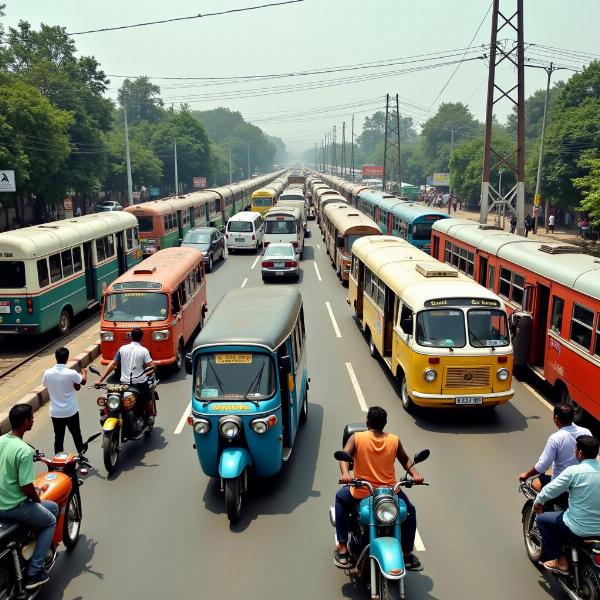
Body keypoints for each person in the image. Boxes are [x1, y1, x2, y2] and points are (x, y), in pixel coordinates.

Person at [334, 406, 424, 571]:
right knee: (410, 512)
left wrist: (346, 474)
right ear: (385, 424)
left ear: (367, 421)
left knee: (340, 499)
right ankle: (407, 553)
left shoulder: (357, 437)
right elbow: (406, 460)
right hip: (390, 492)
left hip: (362, 491)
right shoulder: (394, 439)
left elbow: (344, 456)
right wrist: (415, 474)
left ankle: (342, 547)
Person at [0, 404, 59, 590]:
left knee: (53, 507)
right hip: (13, 506)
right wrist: (37, 498)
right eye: (32, 418)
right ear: (26, 422)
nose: (33, 420)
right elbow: (26, 486)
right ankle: (34, 572)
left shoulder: (1, 440)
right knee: (50, 519)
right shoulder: (24, 451)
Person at [535, 435, 600, 574]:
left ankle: (561, 562)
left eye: (576, 449)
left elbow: (550, 490)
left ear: (580, 453)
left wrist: (538, 502)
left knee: (542, 520)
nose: (575, 451)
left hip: (578, 528)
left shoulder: (573, 472)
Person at [518, 404, 591, 505]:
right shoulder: (586, 432)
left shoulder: (555, 439)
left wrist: (526, 475)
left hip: (560, 487)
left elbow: (542, 466)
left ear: (556, 418)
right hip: (582, 484)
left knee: (537, 482)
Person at [96, 328, 155, 422]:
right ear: (142, 337)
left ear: (131, 336)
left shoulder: (122, 349)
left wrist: (101, 379)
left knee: (146, 398)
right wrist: (145, 374)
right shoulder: (144, 351)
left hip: (124, 385)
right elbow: (152, 367)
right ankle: (150, 416)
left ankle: (150, 417)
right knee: (146, 400)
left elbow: (113, 364)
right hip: (139, 383)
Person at [42, 347, 87, 455]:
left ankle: (58, 459)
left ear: (56, 357)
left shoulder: (47, 373)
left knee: (58, 437)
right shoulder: (71, 373)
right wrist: (84, 372)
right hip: (71, 411)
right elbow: (83, 382)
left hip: (56, 412)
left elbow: (45, 384)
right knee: (76, 434)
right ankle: (81, 456)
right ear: (67, 358)